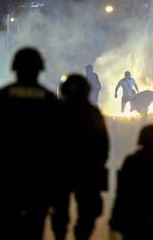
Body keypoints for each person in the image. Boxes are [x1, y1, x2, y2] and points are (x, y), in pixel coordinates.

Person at [0, 47, 63, 240]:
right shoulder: (49, 98)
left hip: (4, 167)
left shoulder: (4, 94)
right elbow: (61, 135)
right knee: (34, 225)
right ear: (39, 69)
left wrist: (4, 129)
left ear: (15, 68)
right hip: (38, 172)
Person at [51, 74, 109, 240]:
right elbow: (103, 146)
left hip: (59, 172)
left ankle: (60, 236)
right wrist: (97, 168)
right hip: (87, 173)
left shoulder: (54, 110)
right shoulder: (93, 113)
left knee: (59, 211)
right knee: (87, 213)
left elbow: (43, 142)